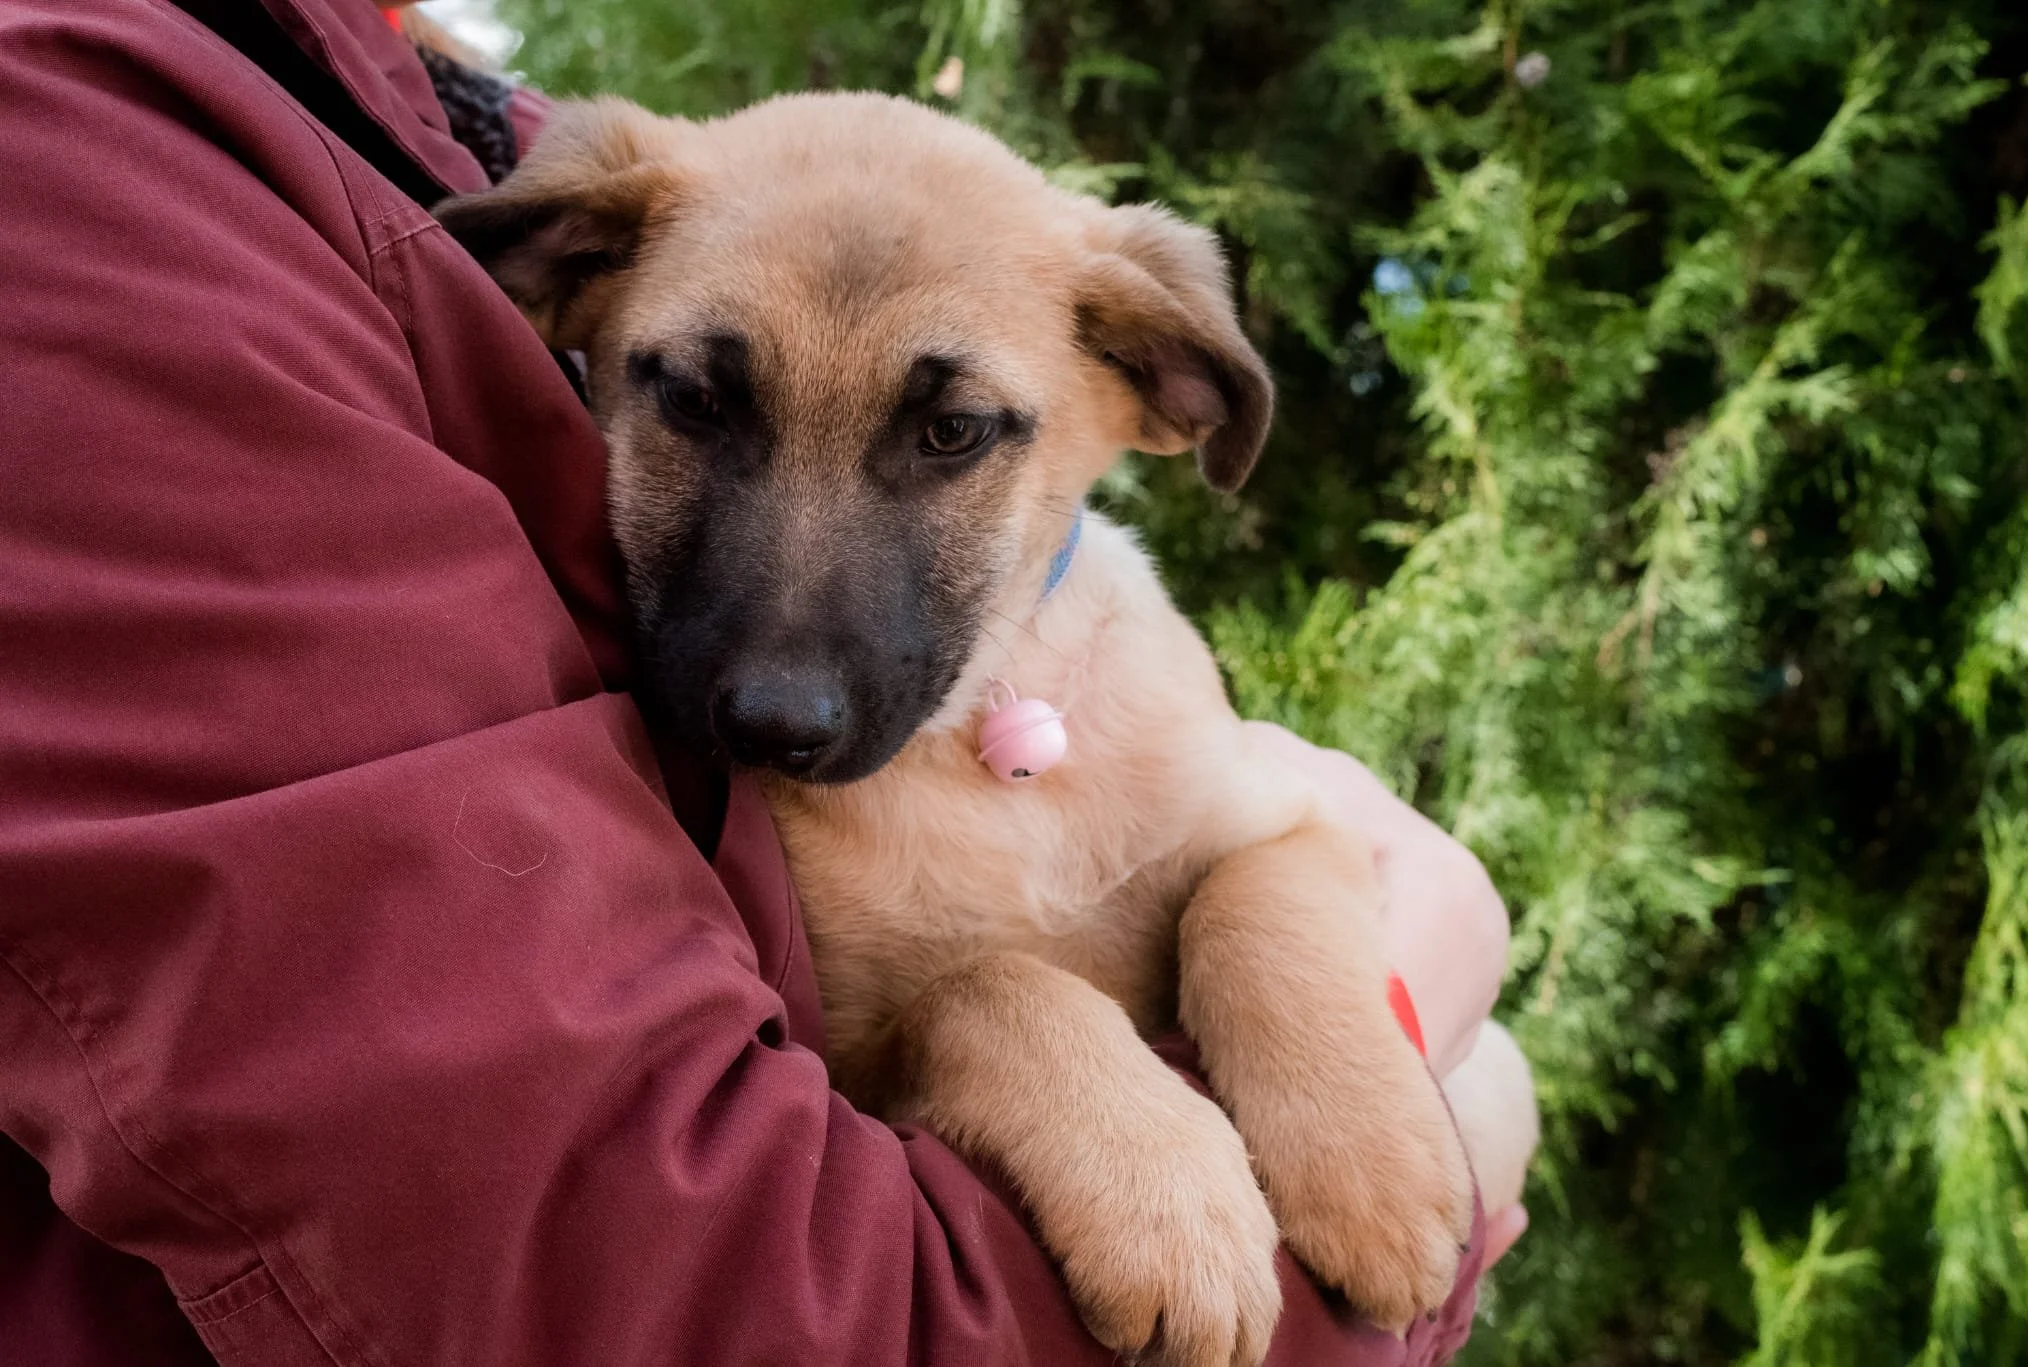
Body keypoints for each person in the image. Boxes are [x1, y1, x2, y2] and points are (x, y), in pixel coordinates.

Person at [0, 0, 1519, 1361]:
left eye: (947, 439)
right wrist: (1429, 1082)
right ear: (558, 296)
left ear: (1160, 396)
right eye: (700, 404)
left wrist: (1323, 997)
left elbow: (1289, 841)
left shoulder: (418, 118)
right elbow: (739, 1192)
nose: (785, 668)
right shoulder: (105, 161)